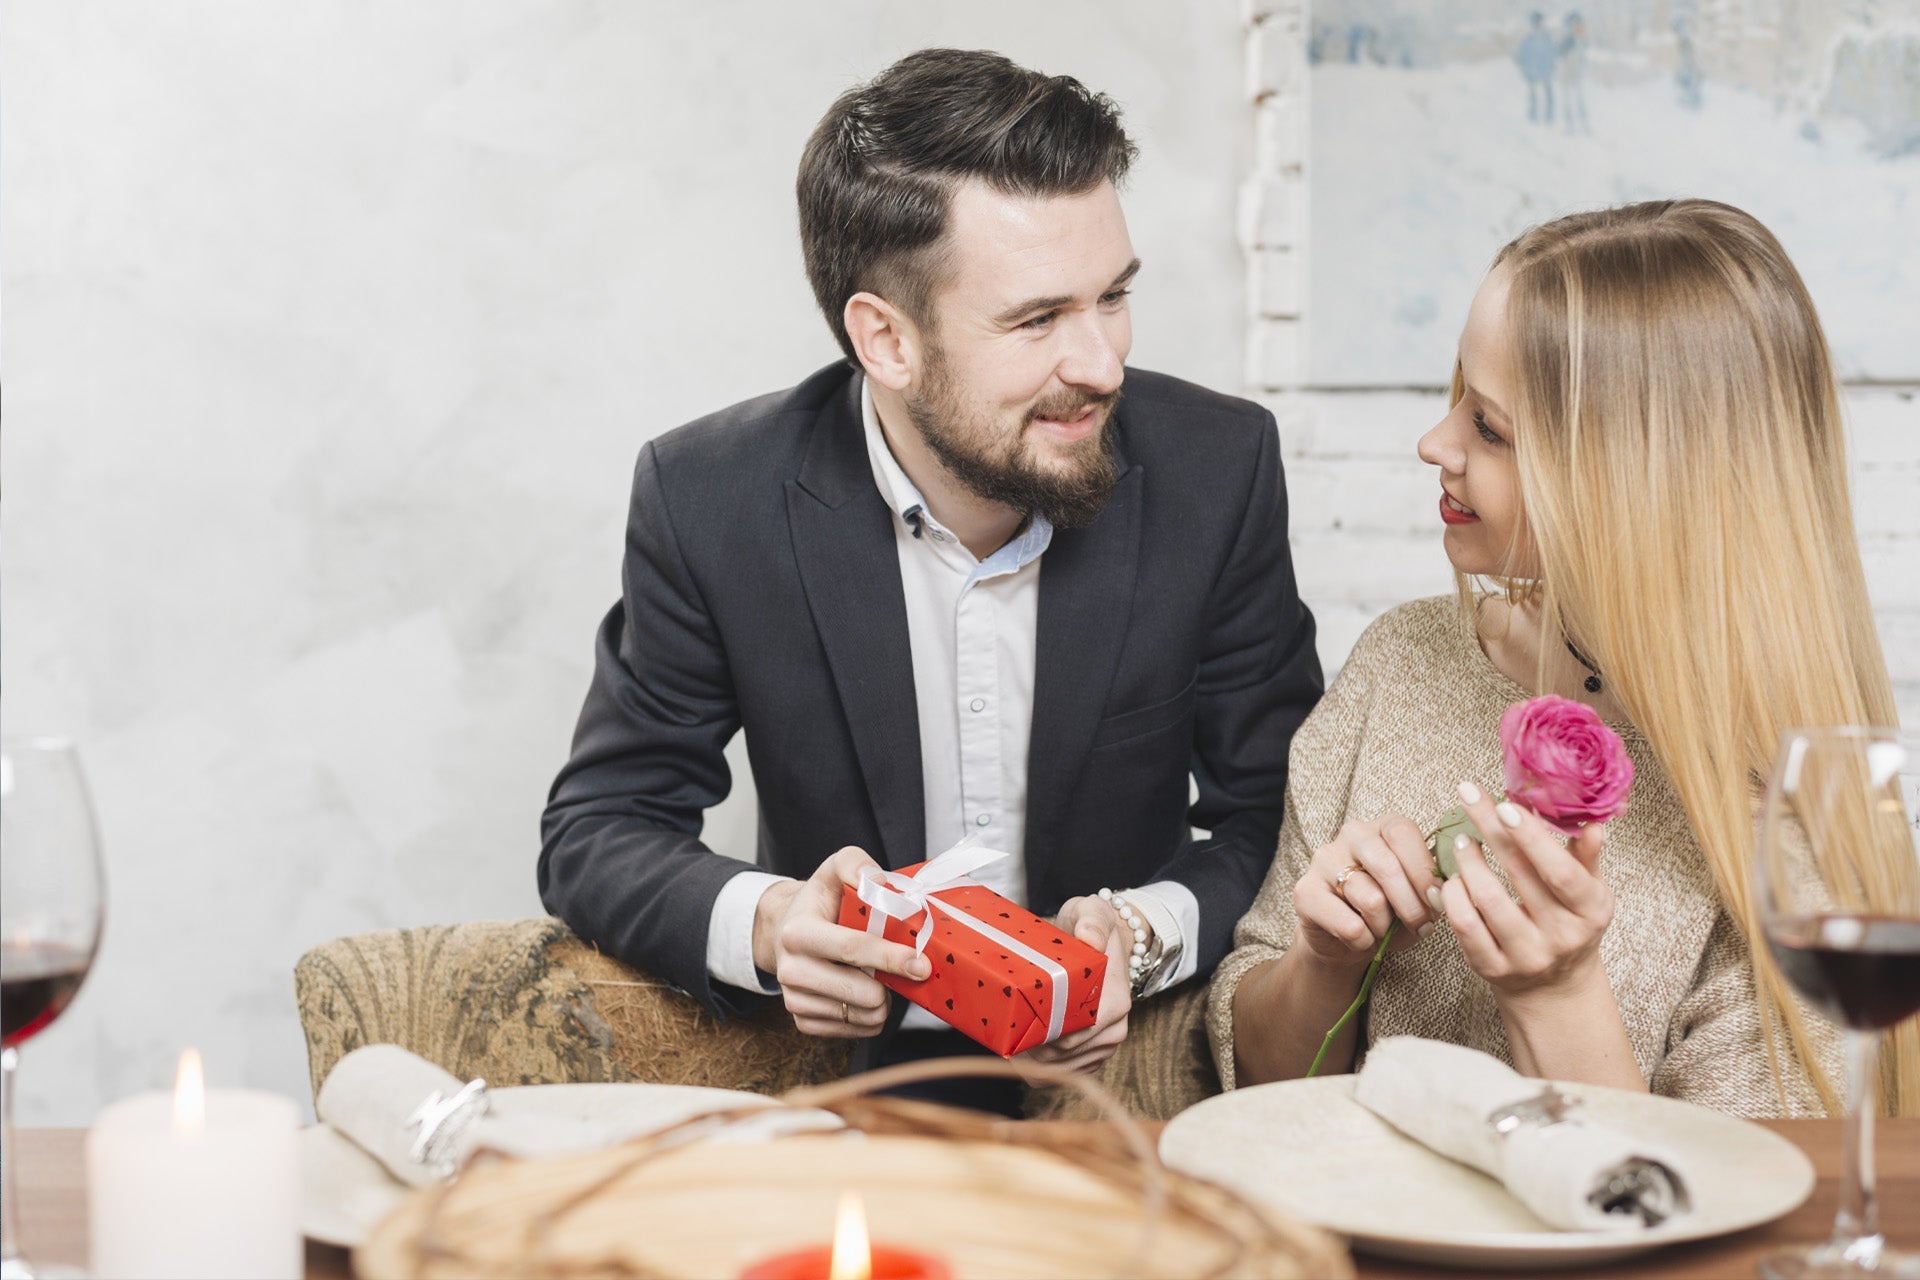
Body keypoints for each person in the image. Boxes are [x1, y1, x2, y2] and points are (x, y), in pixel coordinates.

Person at [539, 48, 1323, 1115]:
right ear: (886, 339)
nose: (1103, 363)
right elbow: (600, 825)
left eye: (1113, 297)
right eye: (1037, 319)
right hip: (847, 1088)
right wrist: (771, 923)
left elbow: (1280, 817)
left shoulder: (1218, 470)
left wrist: (1146, 933)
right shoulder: (710, 498)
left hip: (1131, 1076)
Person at [1210, 199, 1916, 1118]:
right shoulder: (1404, 661)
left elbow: (1730, 1194)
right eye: (1459, 396)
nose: (1435, 443)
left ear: (1634, 485)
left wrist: (1555, 996)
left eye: (1490, 428)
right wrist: (1324, 960)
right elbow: (1259, 1090)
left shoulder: (1784, 832)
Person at [1516, 12, 1557, 125]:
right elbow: (1522, 56)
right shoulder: (1528, 39)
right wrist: (1526, 70)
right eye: (1537, 22)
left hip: (1546, 72)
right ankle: (1532, 117)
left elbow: (1552, 54)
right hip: (1532, 72)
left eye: (1540, 22)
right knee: (1533, 96)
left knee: (1548, 96)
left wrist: (1552, 67)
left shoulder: (1546, 38)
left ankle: (1549, 118)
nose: (1539, 25)